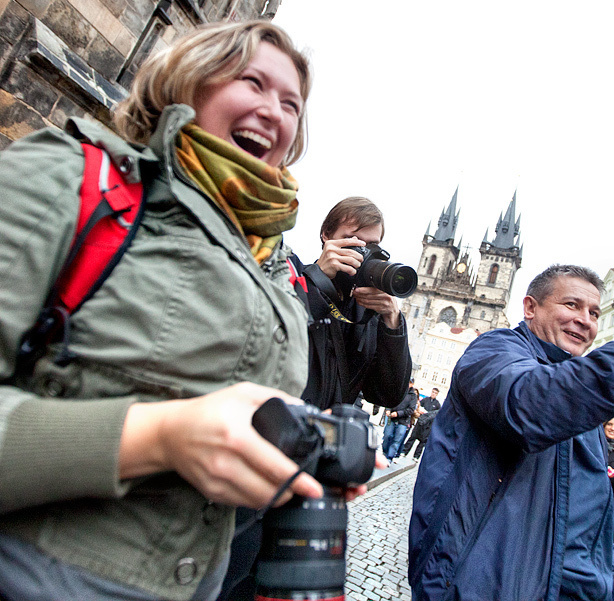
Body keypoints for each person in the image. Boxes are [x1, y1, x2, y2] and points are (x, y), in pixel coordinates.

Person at [0, 20, 353, 601]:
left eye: (292, 103)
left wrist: (293, 460)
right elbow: (181, 428)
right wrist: (158, 438)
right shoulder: (74, 177)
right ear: (186, 83)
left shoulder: (268, 258)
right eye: (253, 83)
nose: (276, 111)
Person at [408, 264, 614, 601]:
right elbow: (531, 408)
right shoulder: (494, 350)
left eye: (595, 312)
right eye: (571, 305)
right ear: (530, 307)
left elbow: (591, 521)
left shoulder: (586, 406)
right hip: (478, 585)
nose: (585, 320)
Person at [294, 196, 412, 411]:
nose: (363, 253)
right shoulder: (295, 282)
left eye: (372, 245)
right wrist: (316, 281)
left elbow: (388, 395)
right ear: (326, 235)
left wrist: (392, 322)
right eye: (353, 241)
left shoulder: (368, 310)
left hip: (328, 437)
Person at [383, 378, 419, 461]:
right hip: (391, 418)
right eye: (408, 382)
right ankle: (385, 453)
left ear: (412, 384)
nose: (408, 384)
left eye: (410, 383)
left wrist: (398, 413)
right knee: (387, 435)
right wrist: (388, 409)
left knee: (397, 440)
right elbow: (389, 401)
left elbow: (411, 410)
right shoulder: (397, 390)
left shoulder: (413, 396)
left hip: (403, 421)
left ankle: (389, 457)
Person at [401, 387, 442, 460]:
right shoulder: (425, 400)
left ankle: (416, 456)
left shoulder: (437, 404)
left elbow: (437, 414)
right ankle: (404, 451)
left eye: (435, 393)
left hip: (428, 425)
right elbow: (418, 407)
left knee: (422, 441)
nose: (433, 394)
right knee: (413, 437)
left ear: (437, 394)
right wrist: (419, 411)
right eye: (433, 392)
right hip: (420, 421)